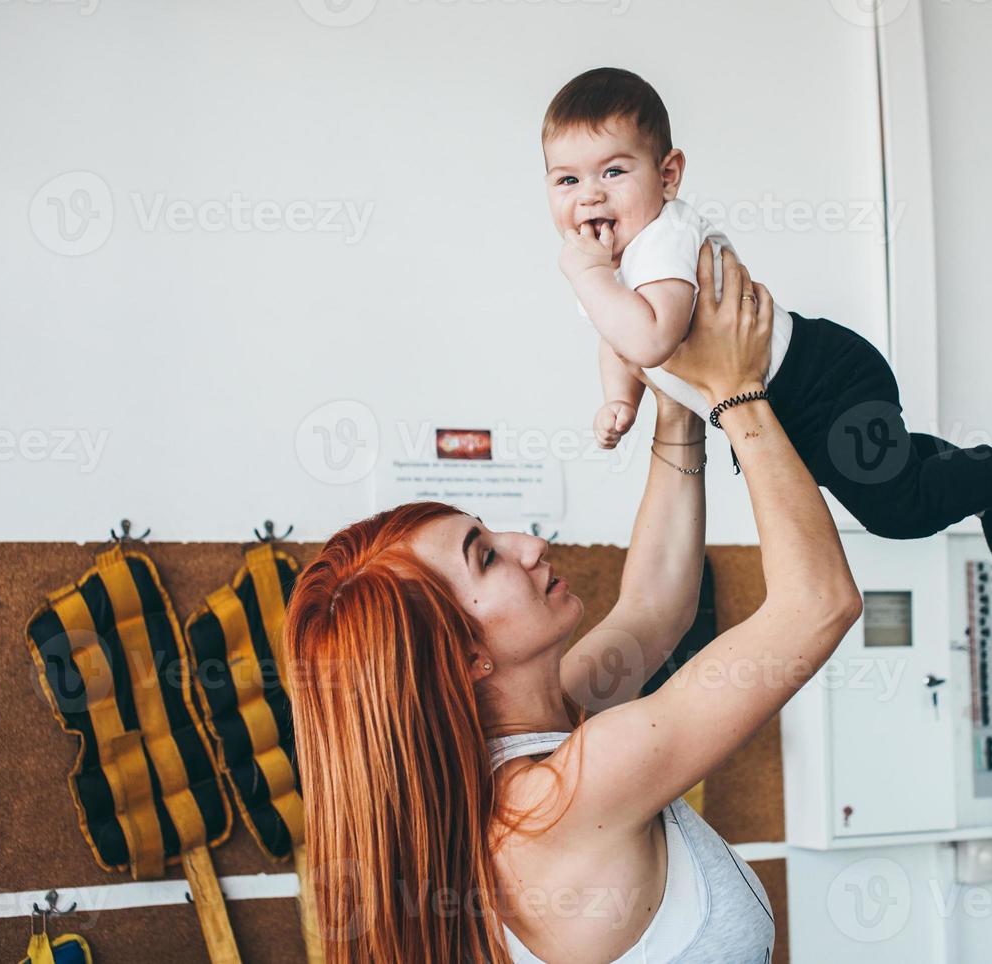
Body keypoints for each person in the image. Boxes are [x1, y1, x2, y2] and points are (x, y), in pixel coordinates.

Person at [285, 244, 861, 962]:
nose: (527, 543)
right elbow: (818, 605)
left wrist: (675, 392)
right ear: (465, 658)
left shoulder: (527, 746)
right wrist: (736, 390)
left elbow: (657, 604)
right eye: (487, 556)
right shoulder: (565, 795)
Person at [544, 66, 992, 575]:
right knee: (891, 473)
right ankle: (984, 482)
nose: (590, 194)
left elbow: (650, 338)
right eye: (567, 180)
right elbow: (615, 339)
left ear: (668, 175)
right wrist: (619, 399)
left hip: (823, 381)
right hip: (783, 408)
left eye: (613, 171)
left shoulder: (664, 237)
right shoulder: (607, 271)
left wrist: (584, 277)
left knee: (897, 511)